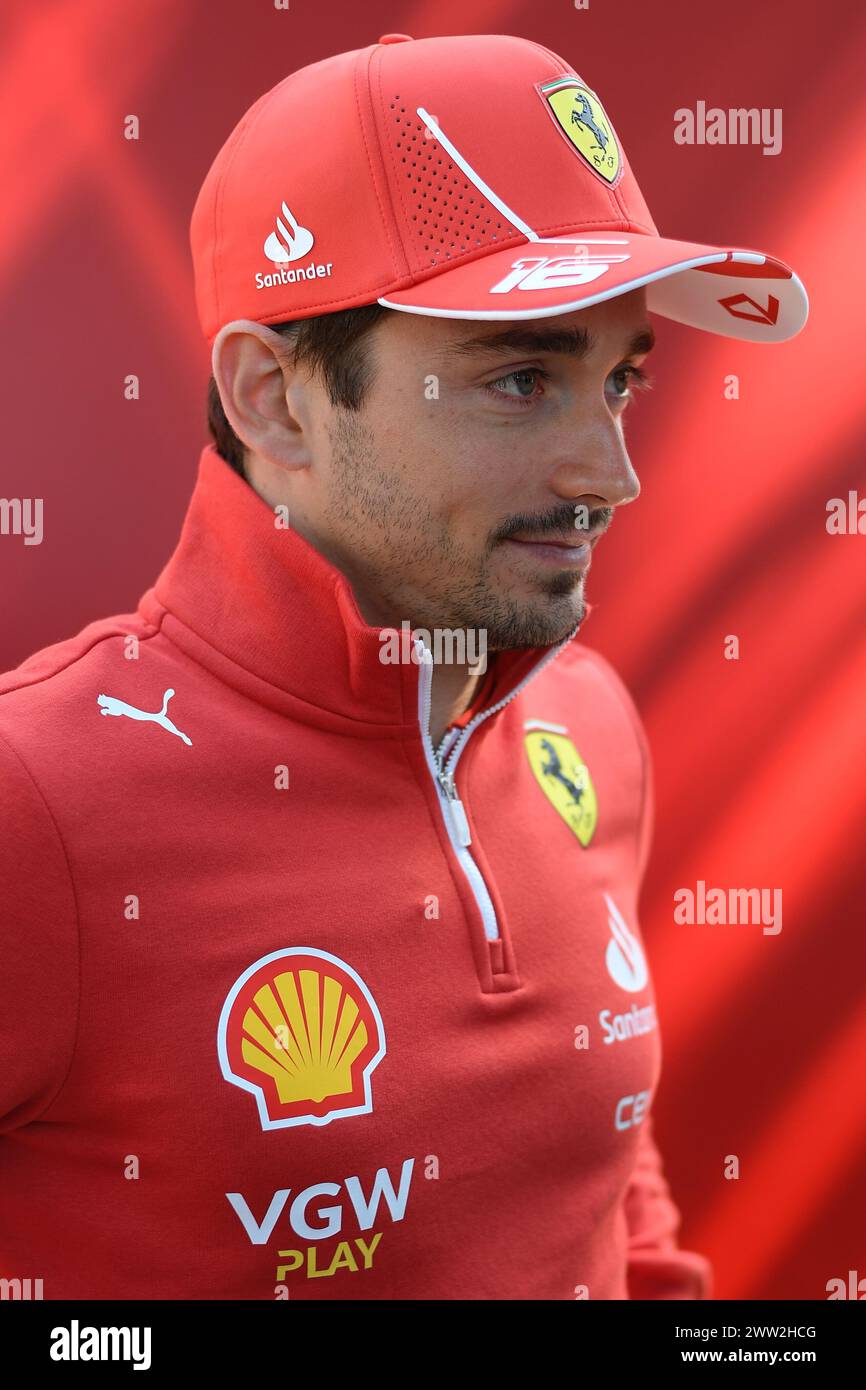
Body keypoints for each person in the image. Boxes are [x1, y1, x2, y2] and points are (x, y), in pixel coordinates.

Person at [0, 32, 807, 1300]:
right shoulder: (33, 799)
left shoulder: (582, 722)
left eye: (618, 382)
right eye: (521, 379)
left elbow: (603, 1164)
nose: (609, 475)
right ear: (273, 398)